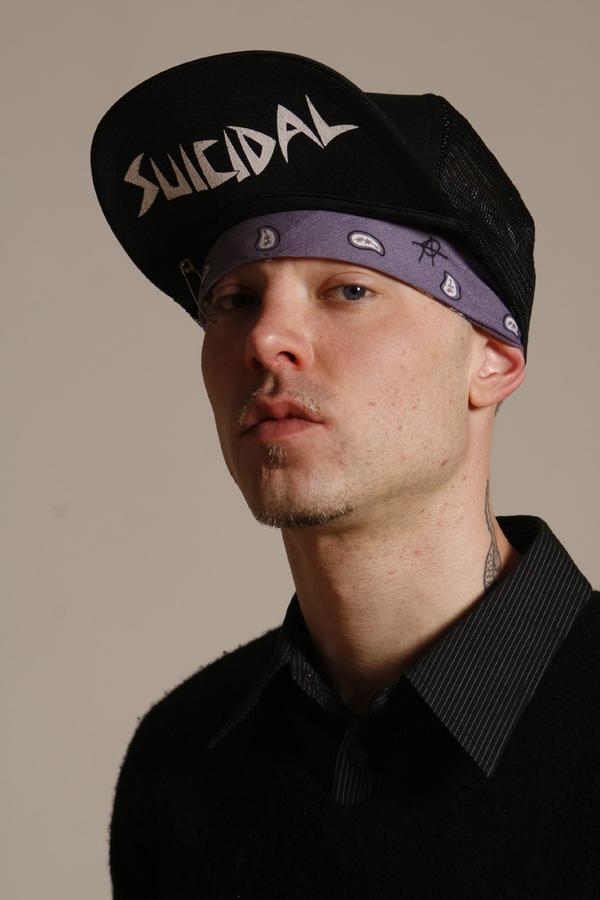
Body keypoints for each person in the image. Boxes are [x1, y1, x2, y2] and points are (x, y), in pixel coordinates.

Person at [91, 50, 599, 899]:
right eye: (234, 300)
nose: (266, 340)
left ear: (492, 359)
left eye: (349, 289)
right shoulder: (182, 766)